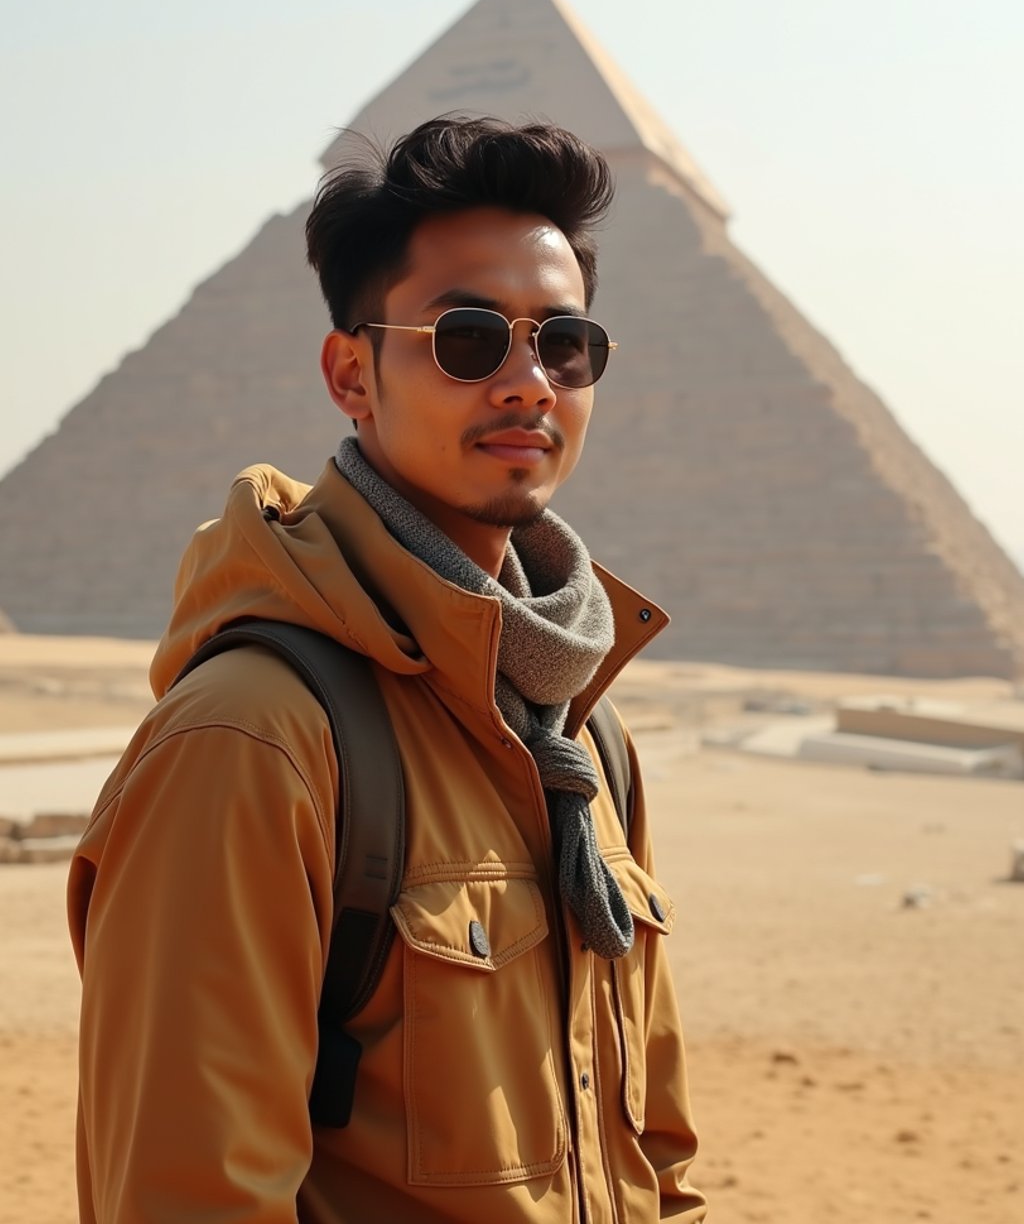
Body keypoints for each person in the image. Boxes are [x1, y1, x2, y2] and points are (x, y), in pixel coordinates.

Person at [68, 116, 707, 1223]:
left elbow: (651, 1159)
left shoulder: (584, 745)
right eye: (468, 338)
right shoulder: (255, 741)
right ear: (350, 374)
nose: (528, 383)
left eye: (565, 345)